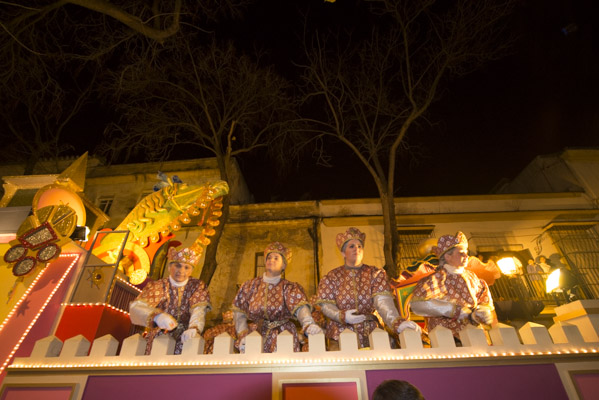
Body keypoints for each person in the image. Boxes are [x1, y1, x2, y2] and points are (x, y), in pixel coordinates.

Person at [315, 227, 421, 349]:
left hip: (372, 332)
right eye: (351, 246)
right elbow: (326, 305)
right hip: (340, 333)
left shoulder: (375, 274)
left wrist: (396, 322)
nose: (357, 249)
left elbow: (382, 302)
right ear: (343, 253)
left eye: (359, 246)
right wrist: (341, 316)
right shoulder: (332, 277)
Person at [232, 242, 322, 353]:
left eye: (276, 258)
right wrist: (242, 334)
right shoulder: (250, 286)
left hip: (283, 335)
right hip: (256, 334)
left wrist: (308, 324)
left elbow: (300, 308)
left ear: (283, 265)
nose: (271, 260)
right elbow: (239, 312)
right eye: (269, 257)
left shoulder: (289, 288)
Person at [410, 232, 494, 339]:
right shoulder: (436, 279)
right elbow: (418, 303)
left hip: (475, 333)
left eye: (466, 253)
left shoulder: (472, 277)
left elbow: (482, 296)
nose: (466, 256)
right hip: (447, 335)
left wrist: (483, 311)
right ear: (448, 256)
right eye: (461, 253)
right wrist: (454, 310)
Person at [129, 246, 211, 355]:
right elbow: (136, 307)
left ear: (191, 270)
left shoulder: (197, 286)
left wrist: (194, 328)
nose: (181, 271)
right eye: (178, 266)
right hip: (160, 337)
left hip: (186, 337)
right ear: (169, 267)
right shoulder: (158, 285)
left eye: (186, 267)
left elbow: (199, 309)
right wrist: (157, 317)